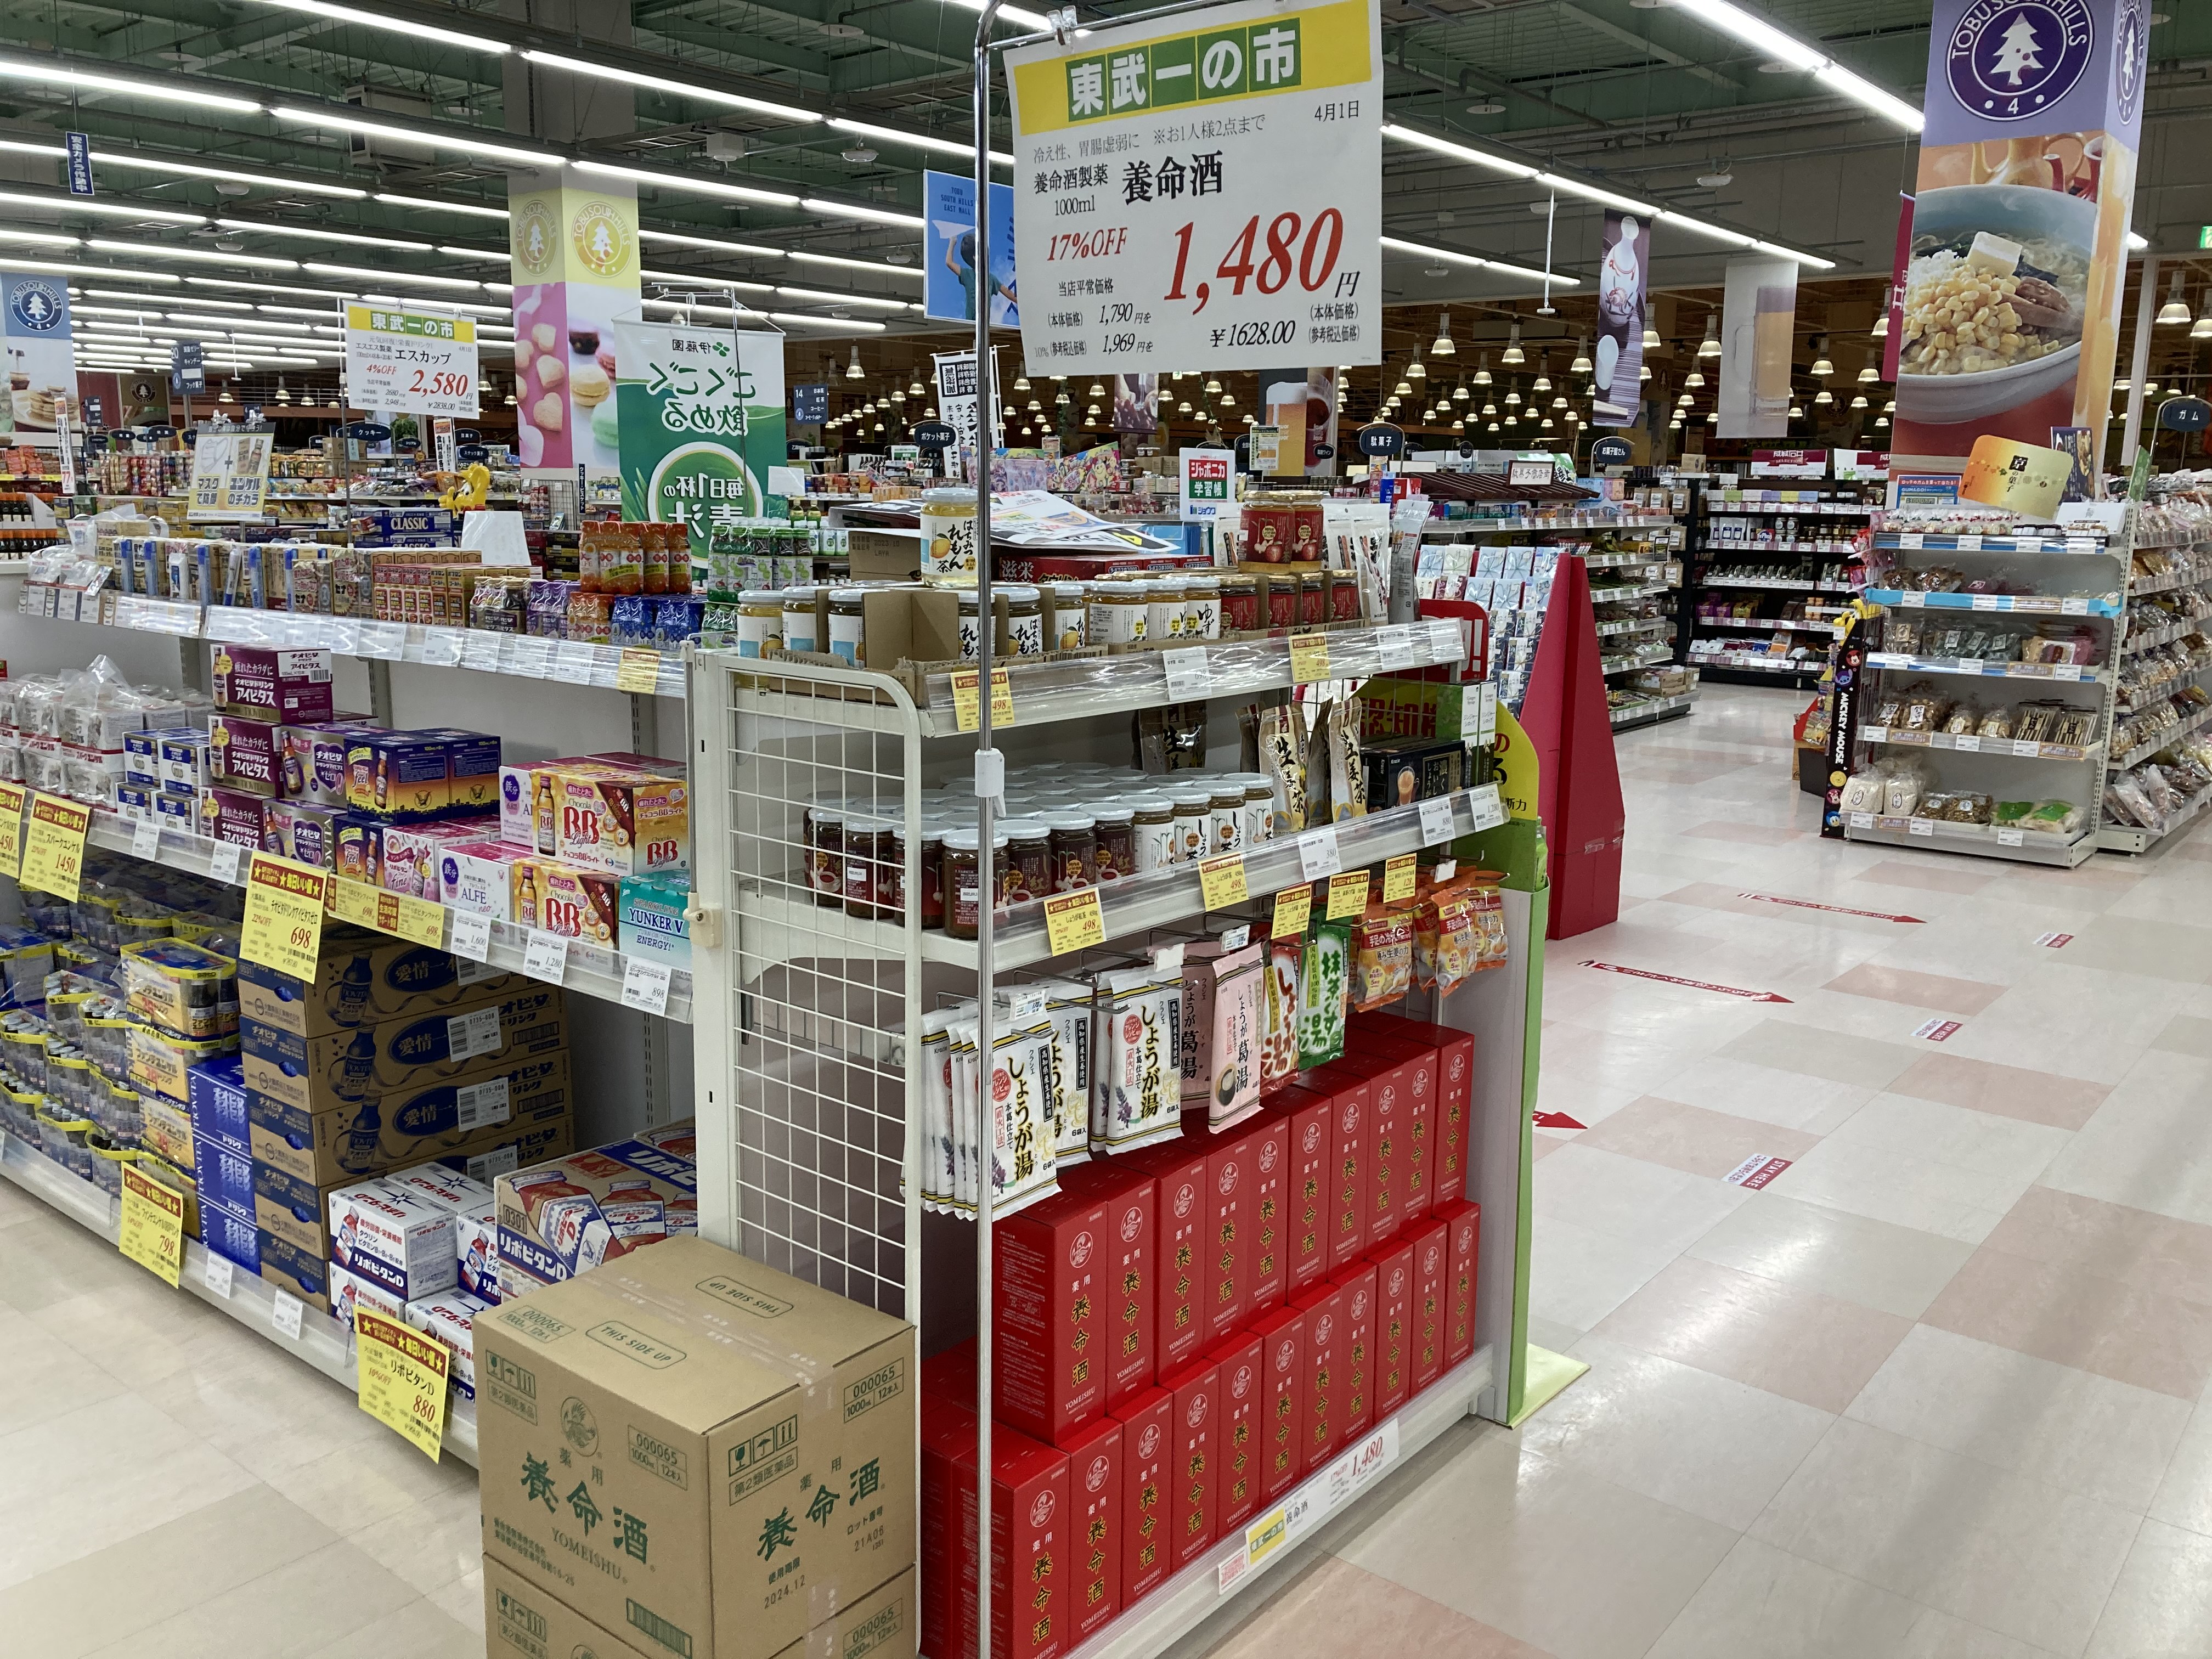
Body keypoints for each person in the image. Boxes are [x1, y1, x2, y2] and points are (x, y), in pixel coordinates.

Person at [945, 229, 1018, 325]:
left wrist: (1023, 303)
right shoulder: (967, 274)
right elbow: (949, 263)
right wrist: (952, 242)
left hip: (983, 324)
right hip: (970, 324)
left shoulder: (991, 278)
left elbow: (1008, 292)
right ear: (974, 256)